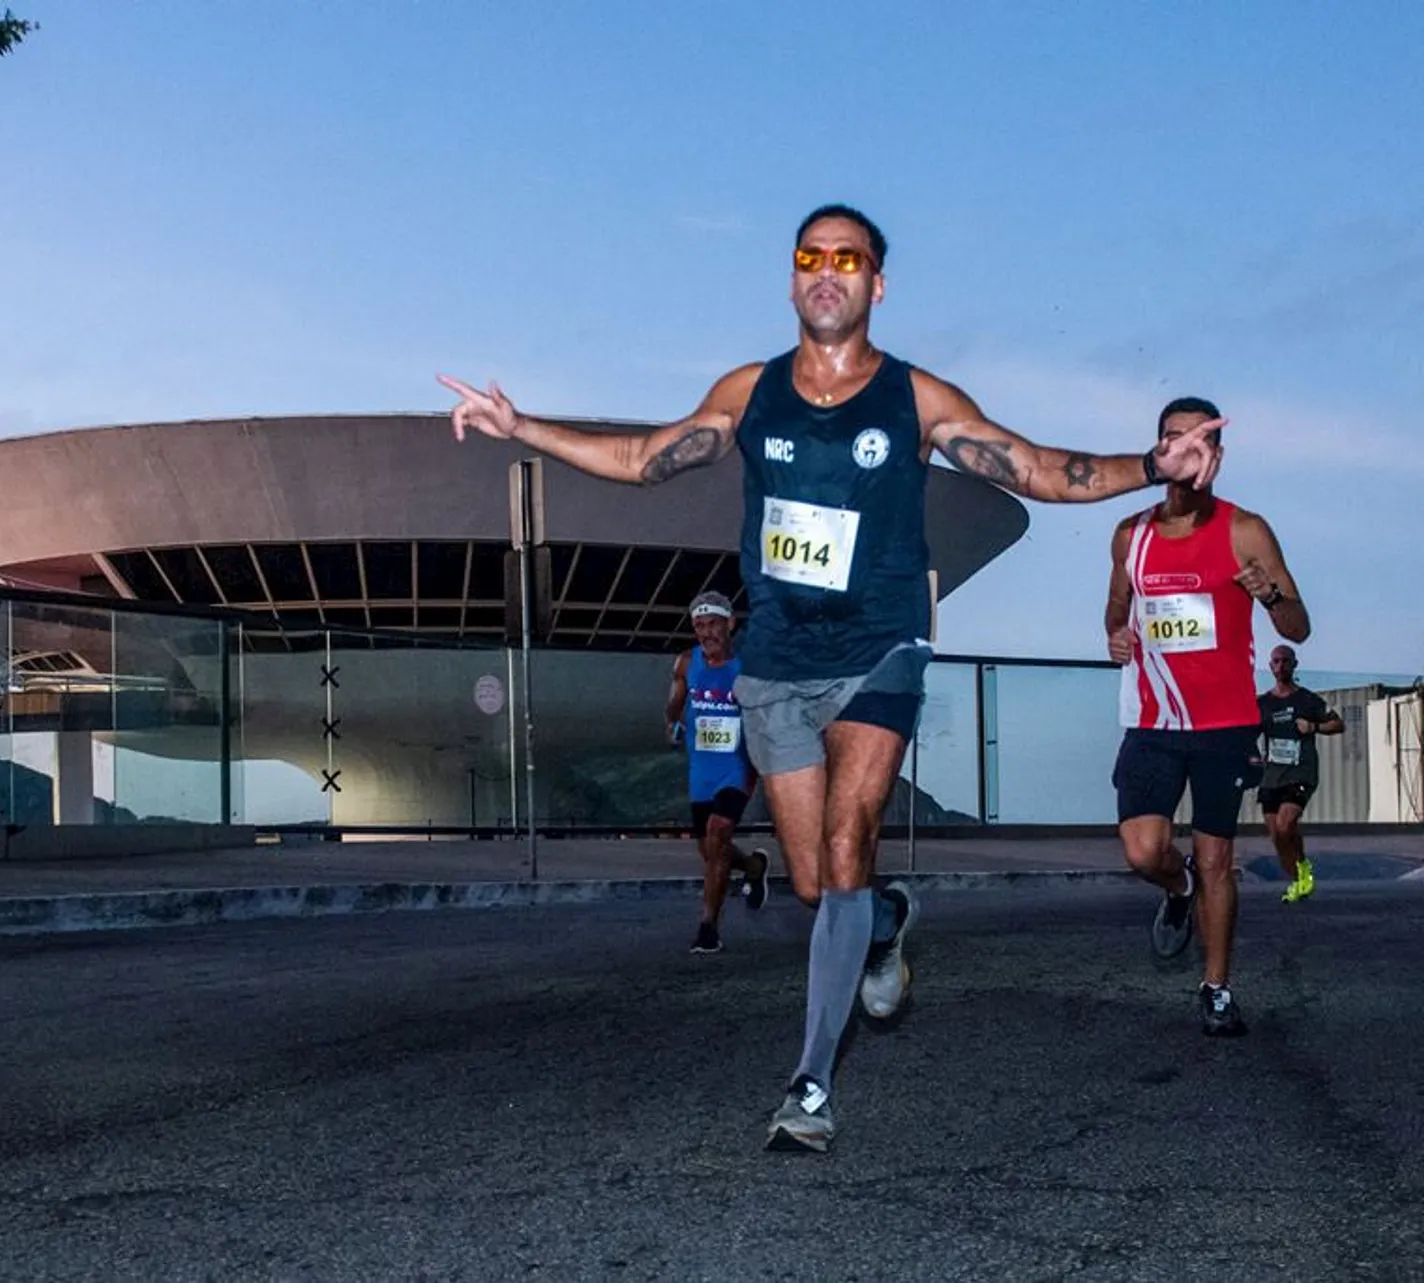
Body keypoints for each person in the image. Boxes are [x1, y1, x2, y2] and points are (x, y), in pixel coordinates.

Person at [438, 202, 1222, 1153]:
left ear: (876, 284)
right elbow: (649, 458)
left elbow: (1035, 468)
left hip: (880, 650)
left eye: (848, 259)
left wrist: (1152, 464)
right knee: (818, 884)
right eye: (811, 255)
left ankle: (809, 1084)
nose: (828, 270)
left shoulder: (917, 397)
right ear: (791, 277)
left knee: (848, 843)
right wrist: (525, 426)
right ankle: (887, 916)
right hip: (776, 659)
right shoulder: (751, 389)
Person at [1105, 397, 1310, 1038]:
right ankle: (1177, 889)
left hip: (1223, 725)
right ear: (1160, 448)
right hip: (1152, 720)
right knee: (1144, 852)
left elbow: (1296, 625)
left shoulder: (1245, 529)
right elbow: (1116, 613)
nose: (1186, 450)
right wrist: (1114, 636)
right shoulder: (1129, 534)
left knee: (1218, 857)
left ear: (1215, 455)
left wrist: (1268, 593)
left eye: (1201, 440)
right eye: (1174, 438)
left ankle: (1216, 988)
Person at [665, 590, 770, 954]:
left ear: (730, 624)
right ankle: (754, 867)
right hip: (702, 770)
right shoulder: (685, 663)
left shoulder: (749, 667)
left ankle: (708, 928)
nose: (706, 632)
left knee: (718, 831)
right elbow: (674, 705)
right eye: (699, 626)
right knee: (712, 850)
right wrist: (675, 722)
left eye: (713, 624)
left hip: (737, 766)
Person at [1256, 644, 1343, 903]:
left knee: (1285, 825)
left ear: (1294, 665)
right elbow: (1247, 733)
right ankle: (1299, 878)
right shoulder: (1263, 703)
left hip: (1301, 772)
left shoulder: (1307, 699)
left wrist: (1314, 726)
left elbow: (1338, 724)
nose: (1281, 665)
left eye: (1285, 661)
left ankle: (1304, 869)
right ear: (1270, 666)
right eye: (1276, 661)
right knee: (1277, 835)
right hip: (1272, 775)